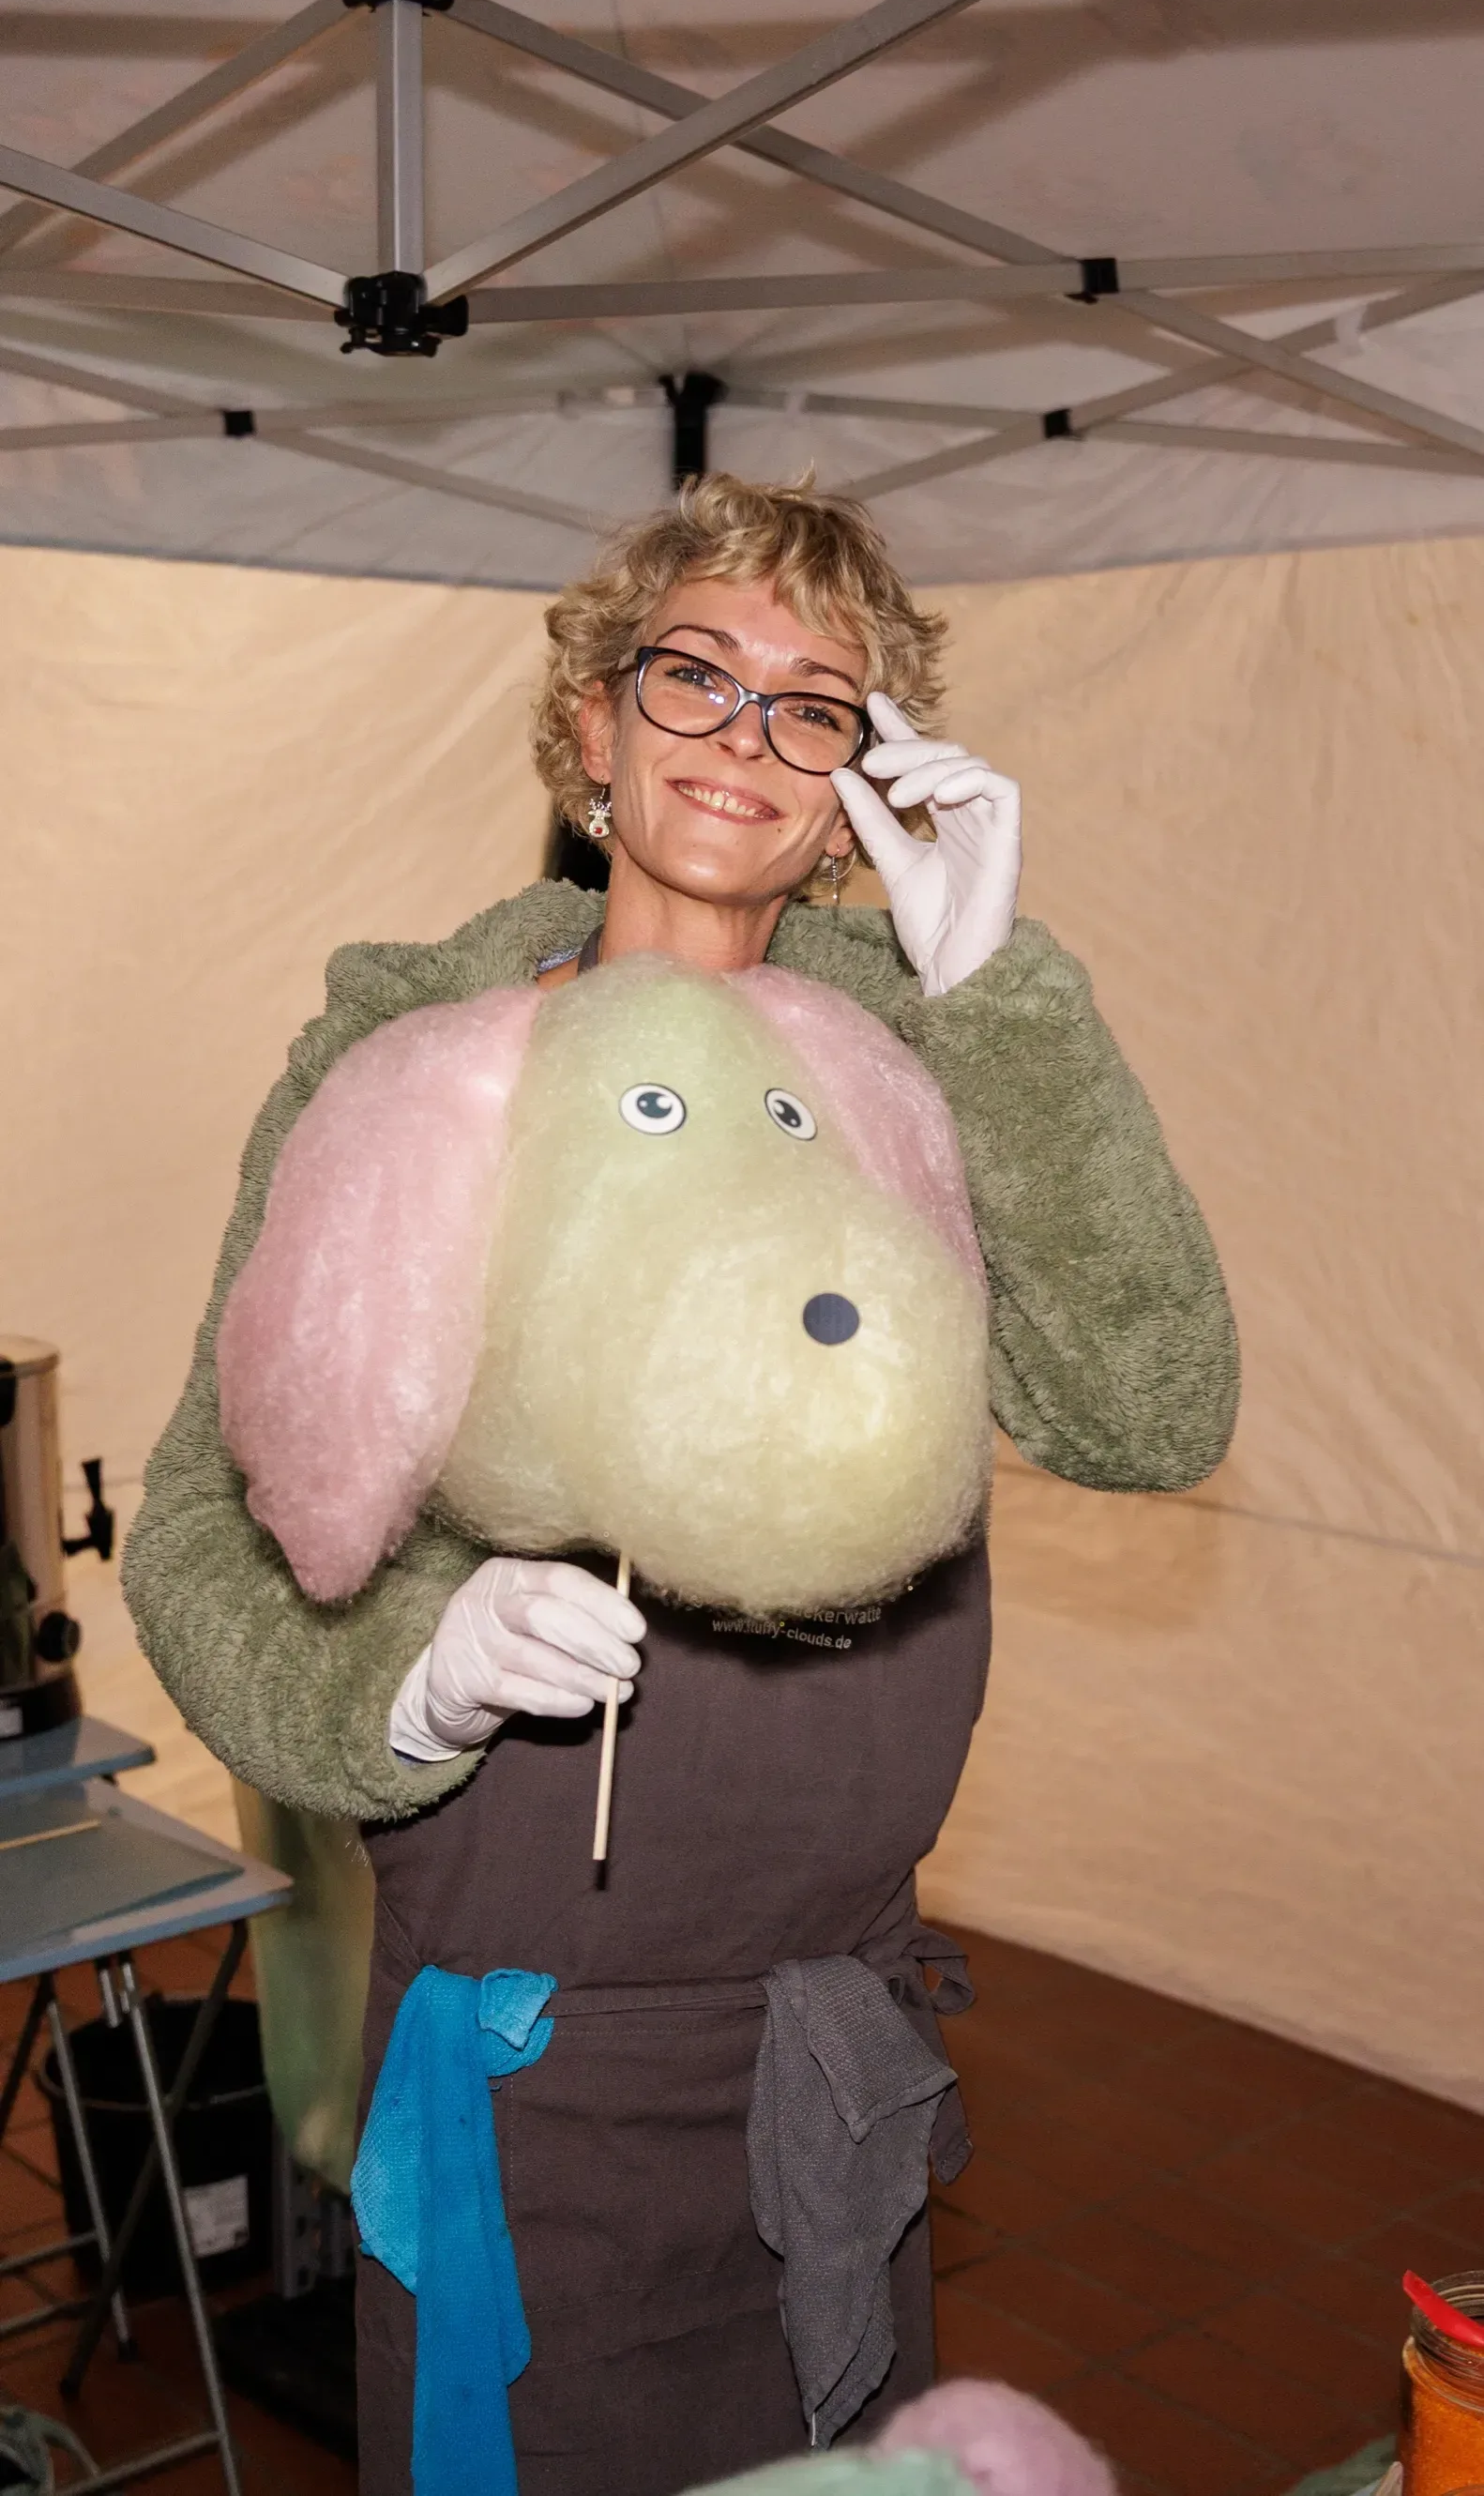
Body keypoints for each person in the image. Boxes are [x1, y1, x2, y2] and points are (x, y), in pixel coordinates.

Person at [124, 476, 1237, 2496]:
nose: (744, 735)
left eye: (813, 706)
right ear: (591, 728)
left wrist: (1000, 1001)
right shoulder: (425, 1065)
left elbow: (1146, 1406)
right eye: (694, 677)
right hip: (543, 2060)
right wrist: (406, 1670)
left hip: (836, 2032)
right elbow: (206, 1518)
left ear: (854, 789)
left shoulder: (905, 1072)